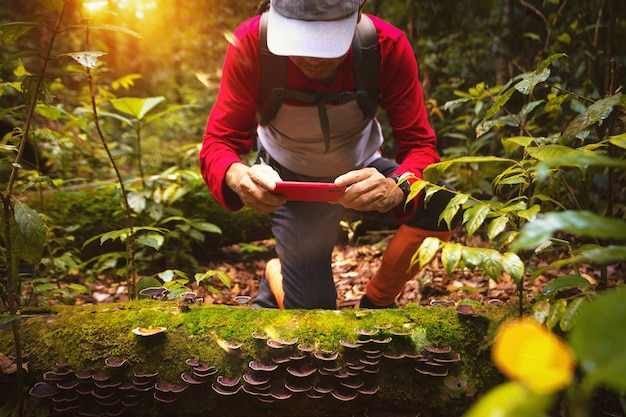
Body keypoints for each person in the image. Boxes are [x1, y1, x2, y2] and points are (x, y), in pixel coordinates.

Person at [199, 0, 461, 309]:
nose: (312, 59)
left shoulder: (385, 46)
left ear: (358, 12)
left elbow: (420, 145)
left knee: (445, 205)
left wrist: (398, 186)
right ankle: (276, 273)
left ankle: (378, 300)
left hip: (362, 167)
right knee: (314, 311)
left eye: (326, 42)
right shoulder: (252, 43)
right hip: (287, 178)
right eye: (297, 41)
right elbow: (218, 143)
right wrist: (239, 176)